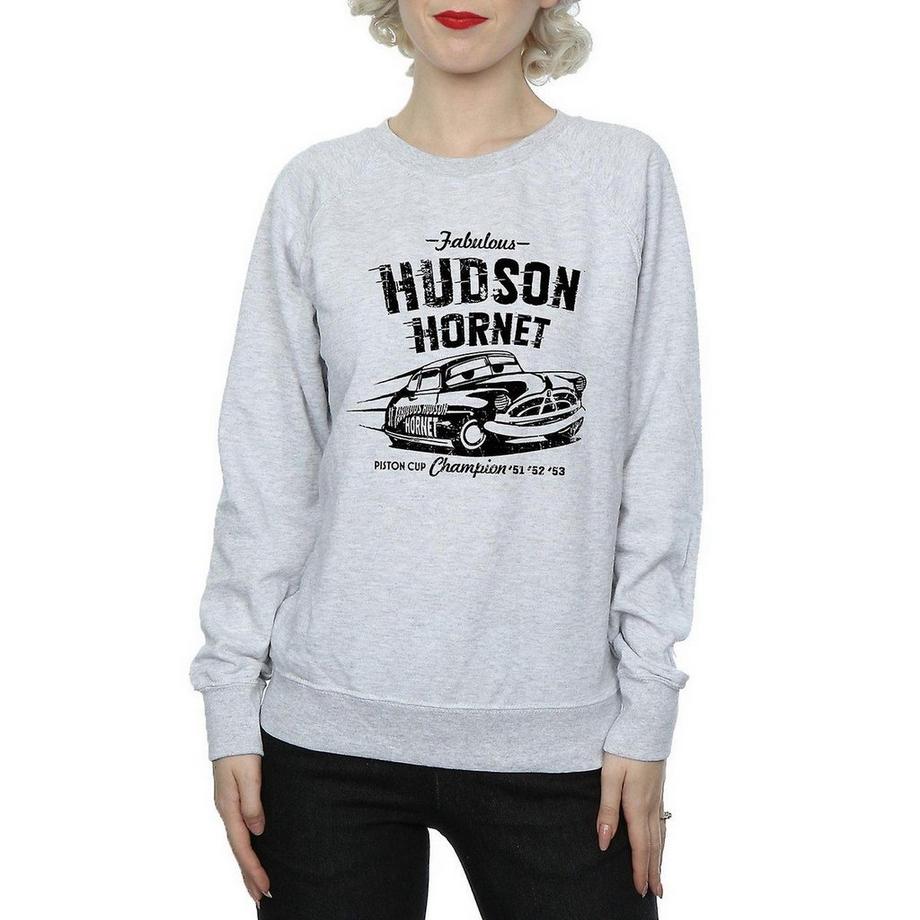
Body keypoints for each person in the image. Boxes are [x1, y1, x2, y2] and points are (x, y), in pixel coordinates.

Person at [190, 2, 702, 917]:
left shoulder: (622, 174)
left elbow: (659, 450)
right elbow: (268, 465)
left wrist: (649, 703)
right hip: (324, 731)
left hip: (562, 735)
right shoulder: (320, 186)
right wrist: (229, 698)